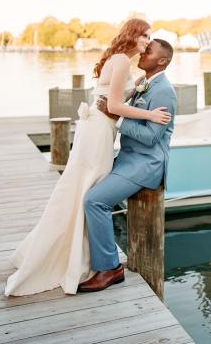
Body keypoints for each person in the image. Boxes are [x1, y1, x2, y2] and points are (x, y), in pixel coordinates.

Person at [5, 18, 171, 296]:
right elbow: (115, 106)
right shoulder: (121, 61)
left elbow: (116, 99)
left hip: (98, 129)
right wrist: (150, 114)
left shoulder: (121, 62)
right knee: (88, 191)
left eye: (149, 40)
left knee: (85, 189)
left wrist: (139, 85)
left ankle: (84, 256)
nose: (146, 43)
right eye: (145, 37)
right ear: (134, 35)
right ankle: (96, 262)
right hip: (98, 132)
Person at [78, 38, 176, 293]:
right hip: (127, 159)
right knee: (84, 189)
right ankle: (90, 258)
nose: (143, 52)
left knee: (94, 201)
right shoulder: (143, 83)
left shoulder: (163, 90)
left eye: (149, 51)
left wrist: (117, 118)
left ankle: (110, 268)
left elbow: (152, 136)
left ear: (162, 61)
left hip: (146, 164)